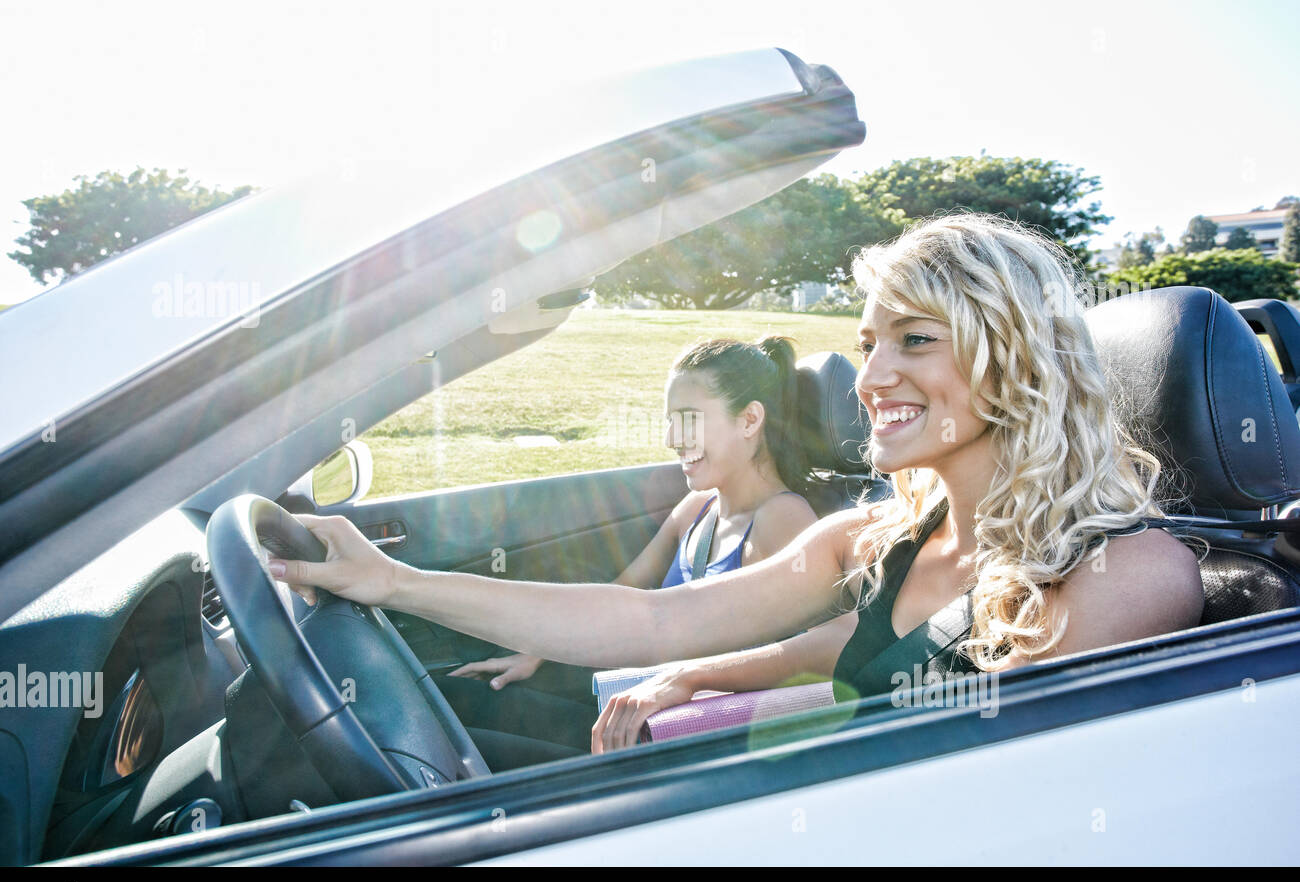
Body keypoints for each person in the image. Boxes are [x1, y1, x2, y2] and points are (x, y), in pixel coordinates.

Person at [270, 212, 1205, 760]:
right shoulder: (873, 541)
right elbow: (651, 623)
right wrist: (393, 585)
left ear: (1020, 364)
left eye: (915, 340)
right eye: (867, 342)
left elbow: (962, 733)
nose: (873, 376)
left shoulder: (1132, 569)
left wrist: (714, 722)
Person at [407, 335, 852, 768]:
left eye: (688, 419)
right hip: (633, 698)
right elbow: (626, 593)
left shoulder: (783, 519)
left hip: (680, 736)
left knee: (457, 745)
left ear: (750, 420)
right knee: (454, 700)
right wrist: (535, 652)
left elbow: (831, 650)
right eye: (669, 420)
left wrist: (692, 678)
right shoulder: (699, 506)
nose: (671, 438)